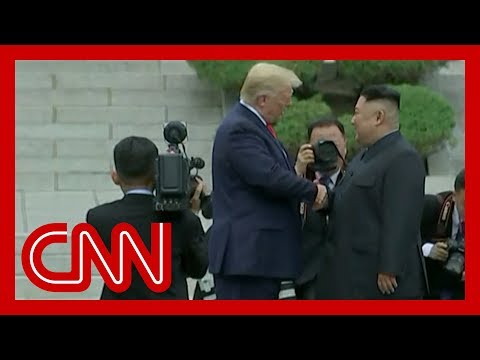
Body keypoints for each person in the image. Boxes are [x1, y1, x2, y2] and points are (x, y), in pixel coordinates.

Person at [208, 62, 327, 300]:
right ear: (263, 99)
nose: (288, 104)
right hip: (247, 260)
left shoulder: (255, 127)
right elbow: (269, 176)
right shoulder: (239, 129)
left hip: (258, 260)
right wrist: (314, 192)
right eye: (284, 98)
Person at [319, 84, 428, 300]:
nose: (352, 120)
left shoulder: (403, 157)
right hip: (351, 273)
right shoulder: (364, 156)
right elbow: (353, 199)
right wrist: (325, 200)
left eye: (357, 113)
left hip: (380, 282)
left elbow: (402, 216)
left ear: (378, 117)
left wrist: (390, 266)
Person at [86, 136, 209, 300]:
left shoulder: (98, 218)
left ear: (115, 177)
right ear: (157, 174)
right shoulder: (184, 220)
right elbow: (197, 269)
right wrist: (191, 214)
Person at [293, 115, 347, 299]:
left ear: (345, 146)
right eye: (320, 144)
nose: (327, 149)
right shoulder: (298, 183)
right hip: (308, 278)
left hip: (350, 277)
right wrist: (298, 171)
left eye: (333, 143)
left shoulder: (358, 180)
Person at [420, 168, 465, 300]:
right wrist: (428, 249)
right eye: (466, 204)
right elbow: (401, 238)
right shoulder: (431, 207)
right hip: (429, 287)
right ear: (454, 196)